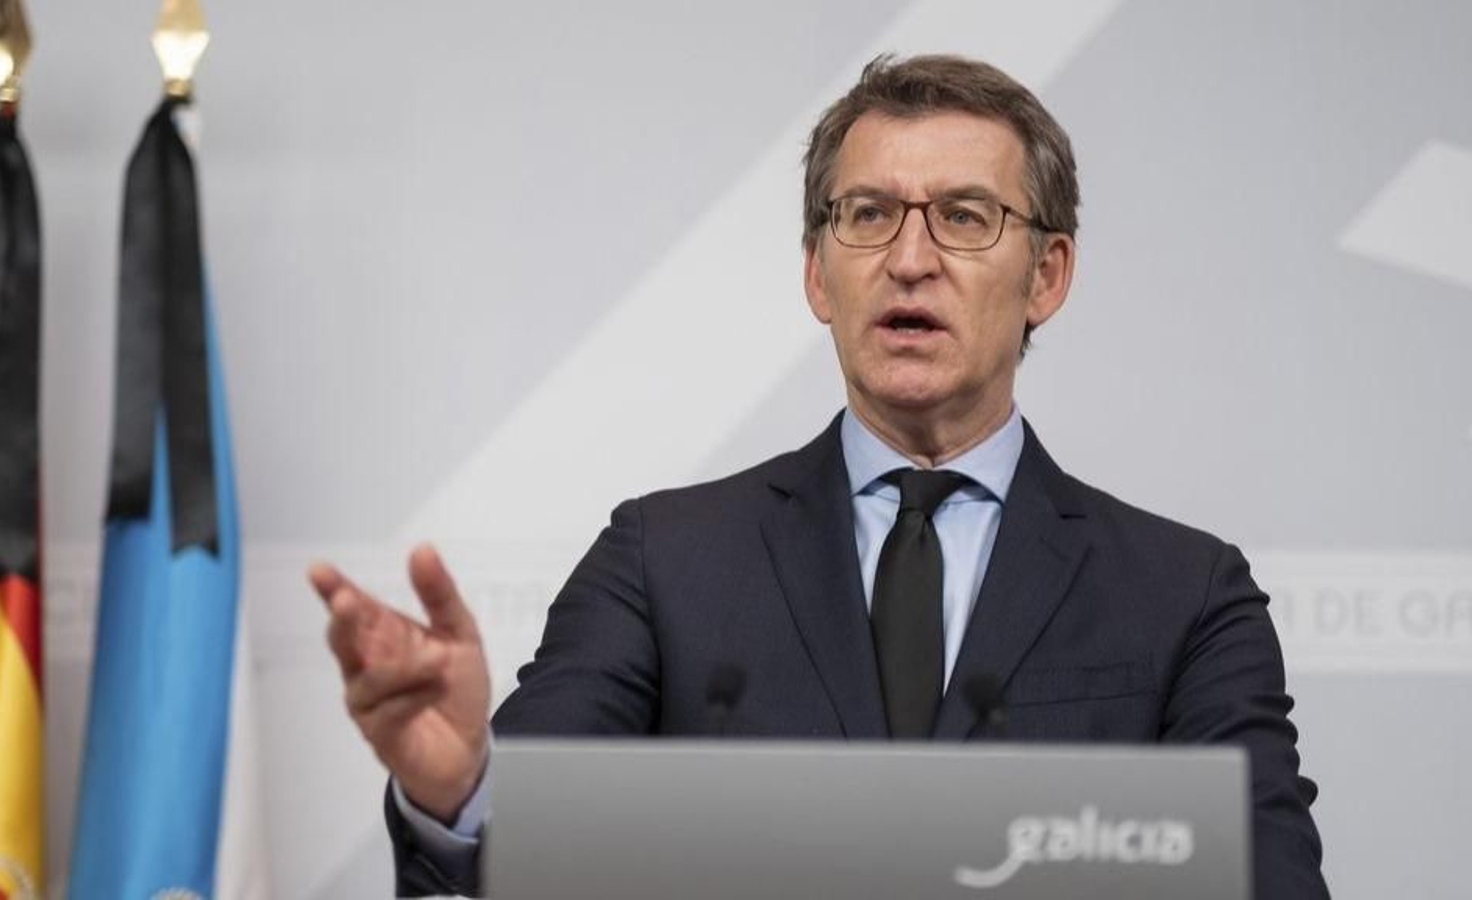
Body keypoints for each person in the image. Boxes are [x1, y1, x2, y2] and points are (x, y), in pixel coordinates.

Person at [309, 54, 1328, 898]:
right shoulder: (665, 561)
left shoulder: (1183, 595)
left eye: (965, 217)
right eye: (869, 215)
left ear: (1047, 276)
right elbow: (532, 857)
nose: (909, 259)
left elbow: (1268, 882)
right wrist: (461, 794)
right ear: (815, 273)